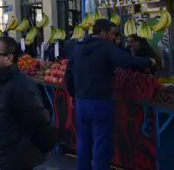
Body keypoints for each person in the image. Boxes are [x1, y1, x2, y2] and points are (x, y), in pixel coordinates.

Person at [65, 19, 155, 170]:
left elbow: (68, 75)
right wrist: (149, 62)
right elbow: (126, 60)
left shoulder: (78, 48)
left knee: (83, 142)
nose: (115, 38)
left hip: (81, 103)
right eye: (113, 34)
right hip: (100, 103)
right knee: (101, 144)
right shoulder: (105, 47)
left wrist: (74, 95)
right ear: (103, 33)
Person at [0, 36, 56, 170]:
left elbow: (40, 122)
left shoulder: (21, 86)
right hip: (6, 158)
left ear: (9, 58)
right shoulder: (3, 83)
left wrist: (42, 148)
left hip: (18, 161)